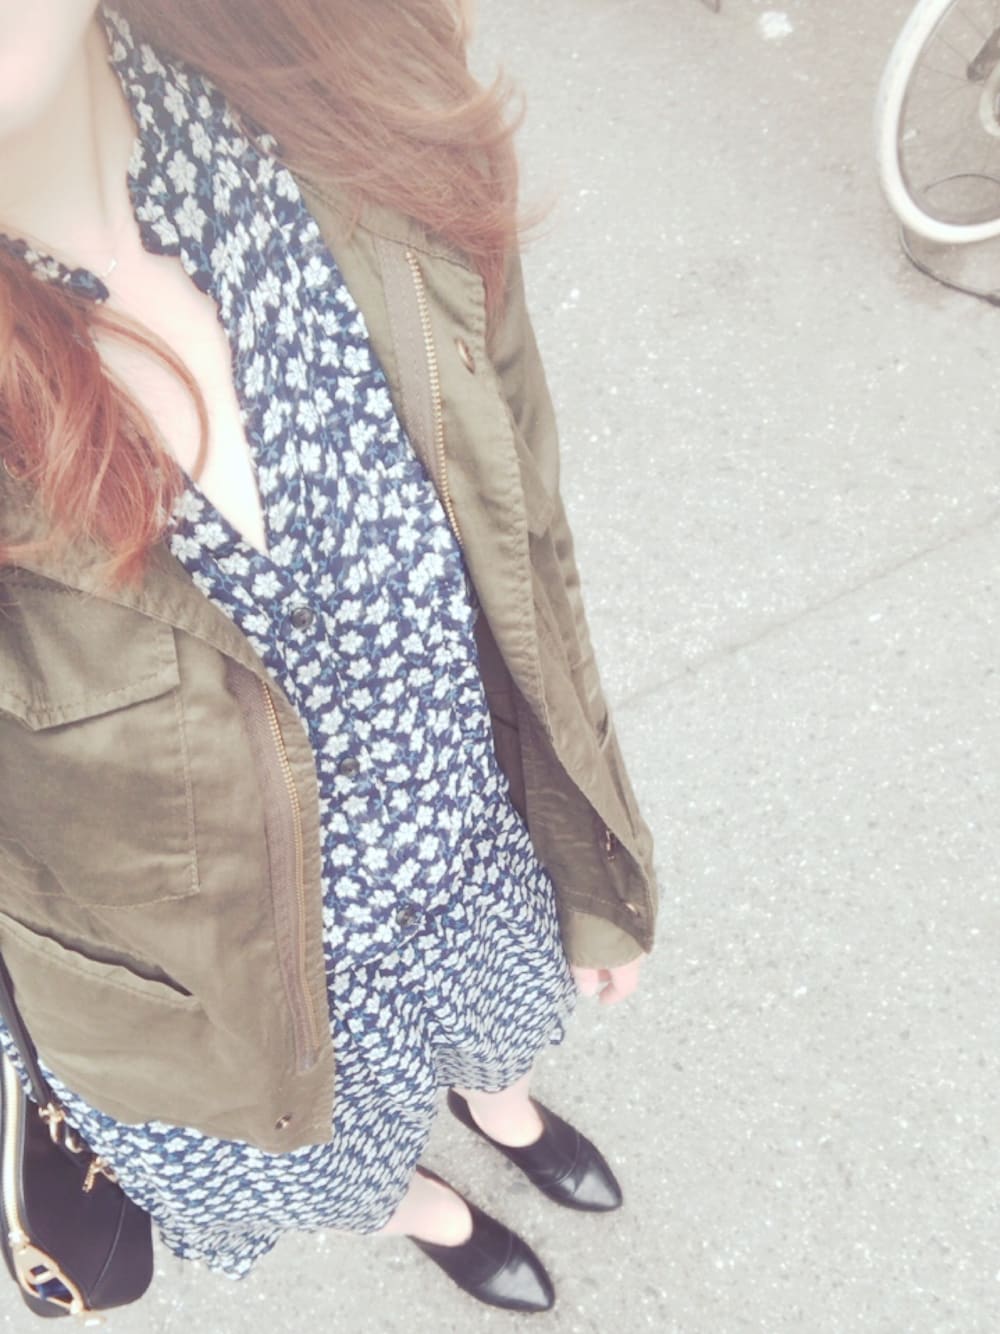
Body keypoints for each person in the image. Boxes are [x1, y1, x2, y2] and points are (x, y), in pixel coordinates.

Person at [0, 0, 657, 1315]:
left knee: (508, 1021)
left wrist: (596, 847)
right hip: (234, 1013)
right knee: (341, 1165)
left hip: (471, 847)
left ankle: (503, 1105)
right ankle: (428, 1207)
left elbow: (526, 535)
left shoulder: (354, 99)